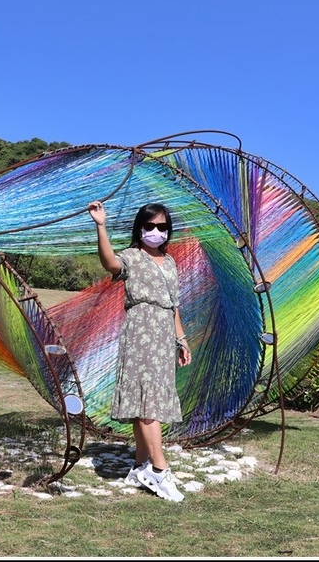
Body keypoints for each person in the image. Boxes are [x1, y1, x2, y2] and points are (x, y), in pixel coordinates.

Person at [87, 199, 192, 502]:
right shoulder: (132, 256)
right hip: (140, 334)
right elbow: (110, 264)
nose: (156, 231)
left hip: (162, 337)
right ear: (140, 227)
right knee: (148, 402)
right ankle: (159, 471)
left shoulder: (170, 262)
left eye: (162, 227)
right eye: (150, 226)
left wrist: (181, 340)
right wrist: (101, 226)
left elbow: (173, 306)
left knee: (150, 398)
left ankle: (139, 466)